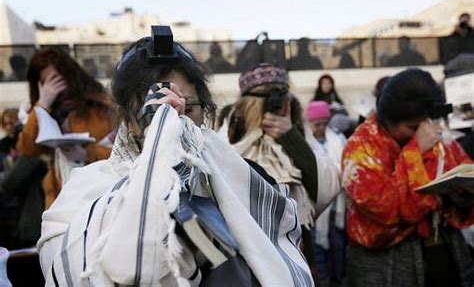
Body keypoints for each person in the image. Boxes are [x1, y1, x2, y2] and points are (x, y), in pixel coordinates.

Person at [38, 33, 315, 286]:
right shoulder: (88, 188)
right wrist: (157, 159)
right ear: (129, 120)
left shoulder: (239, 178)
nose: (176, 118)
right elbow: (110, 264)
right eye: (159, 109)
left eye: (189, 107)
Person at [341, 68, 474, 287]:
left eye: (426, 123)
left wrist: (462, 195)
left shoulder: (432, 135)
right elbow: (386, 208)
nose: (424, 132)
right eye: (413, 127)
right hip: (385, 263)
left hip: (444, 251)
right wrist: (415, 151)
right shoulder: (360, 148)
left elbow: (461, 173)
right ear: (388, 120)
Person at [223, 63, 341, 280]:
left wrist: (291, 138)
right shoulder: (228, 136)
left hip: (297, 252)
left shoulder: (297, 135)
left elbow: (325, 189)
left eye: (281, 100)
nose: (277, 107)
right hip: (245, 258)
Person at [16, 48, 117, 209]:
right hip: (60, 202)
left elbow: (124, 153)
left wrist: (87, 153)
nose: (53, 88)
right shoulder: (40, 112)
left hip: (98, 200)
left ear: (69, 75)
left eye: (56, 79)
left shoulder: (100, 106)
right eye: (45, 83)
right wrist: (42, 105)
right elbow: (28, 149)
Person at [306, 101, 347, 286]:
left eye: (324, 123)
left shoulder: (338, 139)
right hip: (317, 203)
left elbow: (347, 162)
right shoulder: (305, 142)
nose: (321, 128)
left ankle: (339, 277)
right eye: (317, 125)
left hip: (338, 204)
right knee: (318, 245)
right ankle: (323, 279)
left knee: (338, 243)